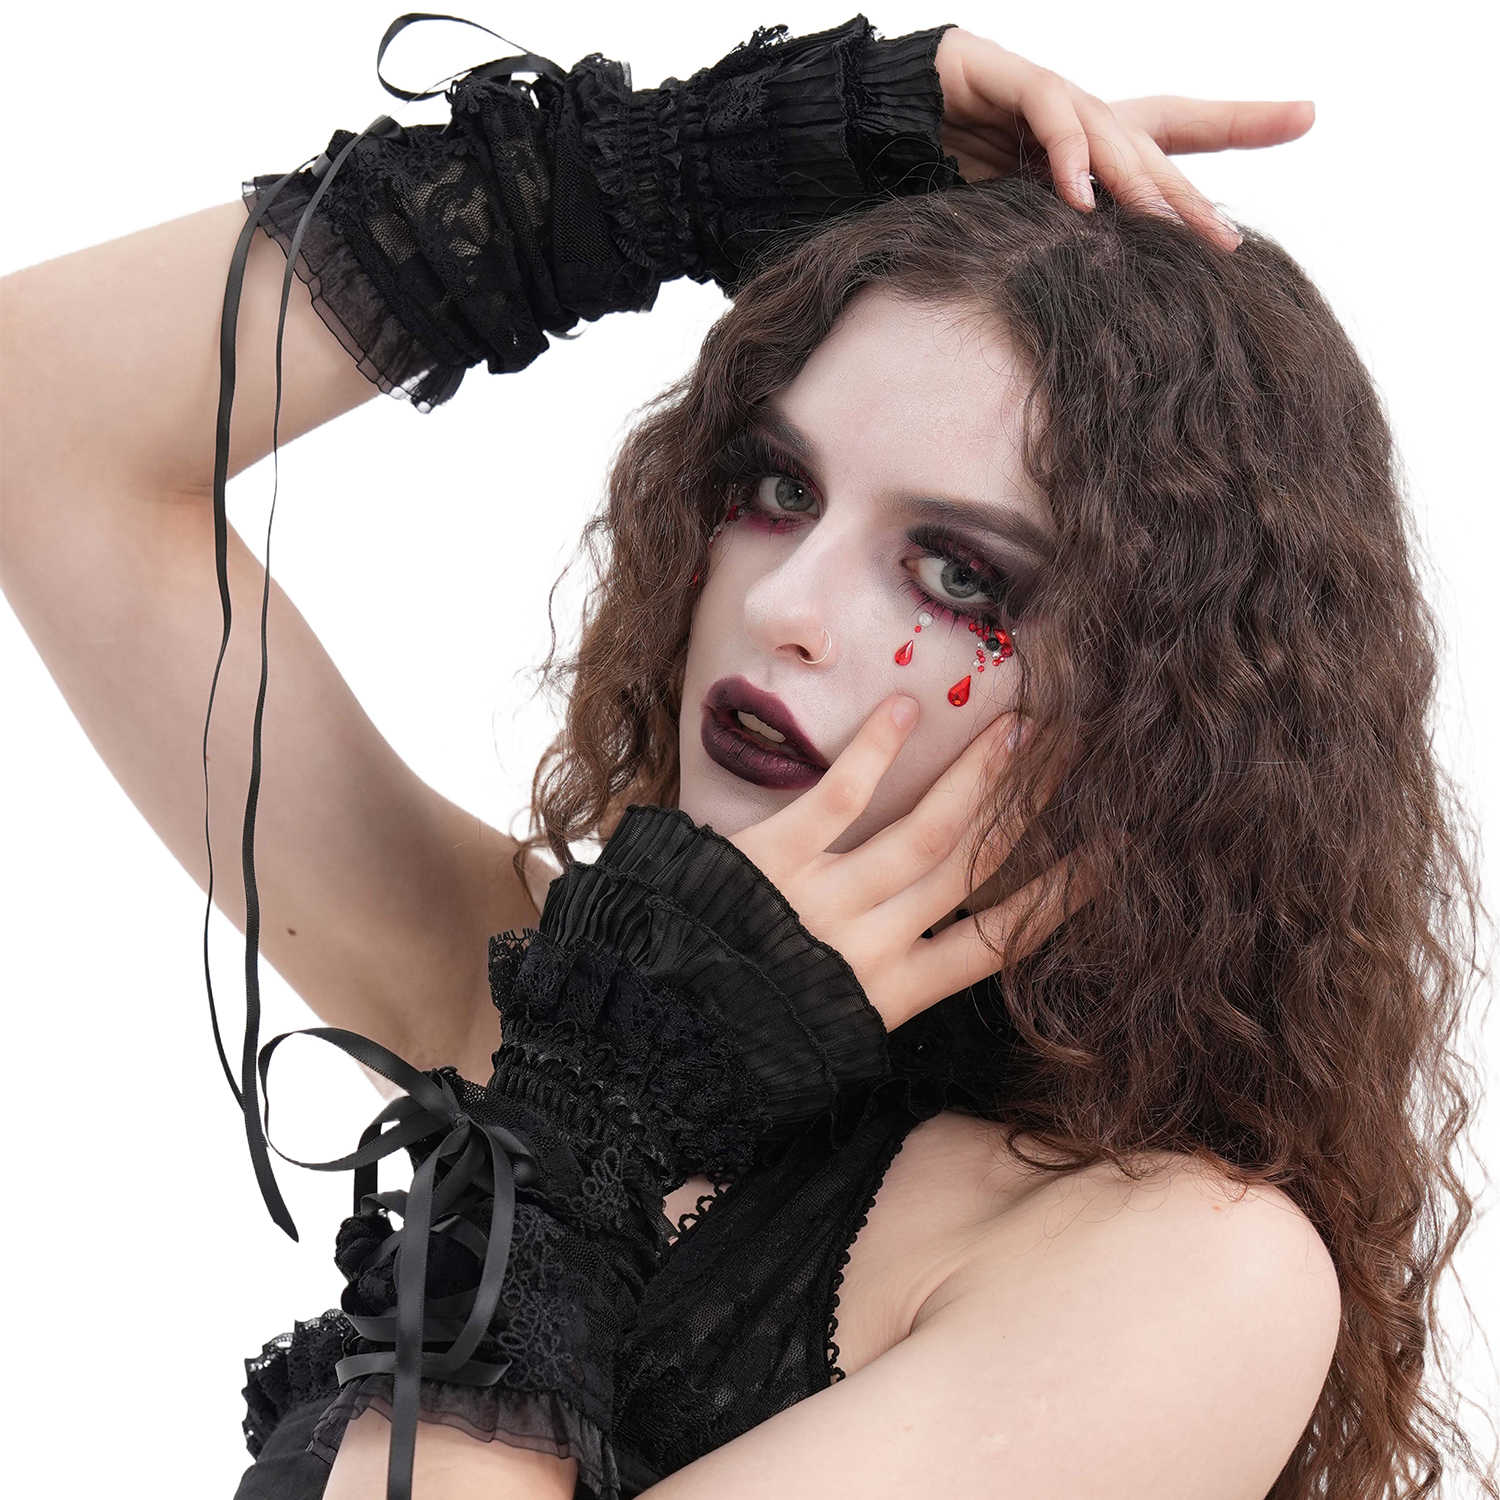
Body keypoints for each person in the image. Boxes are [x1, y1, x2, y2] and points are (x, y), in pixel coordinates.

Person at [1, 12, 1492, 1500]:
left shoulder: (1189, 1277)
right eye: (779, 488)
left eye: (957, 574)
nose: (783, 606)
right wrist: (683, 168)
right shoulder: (546, 996)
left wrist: (590, 1109)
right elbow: (35, 420)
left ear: (1177, 712)